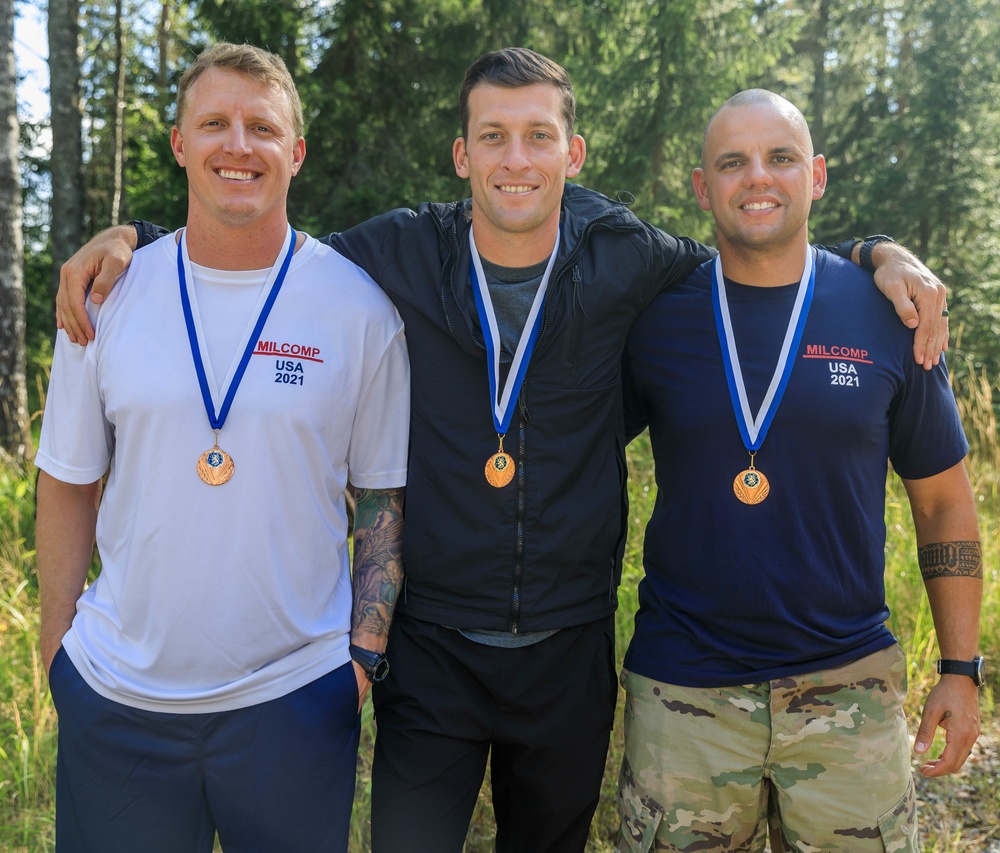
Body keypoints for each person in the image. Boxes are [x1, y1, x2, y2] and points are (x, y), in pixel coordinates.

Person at [54, 49, 950, 853]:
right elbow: (261, 242)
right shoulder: (394, 255)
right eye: (493, 136)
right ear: (463, 155)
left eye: (537, 136)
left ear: (574, 152)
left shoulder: (629, 257)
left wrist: (876, 254)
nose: (516, 159)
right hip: (433, 649)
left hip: (567, 646)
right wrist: (130, 242)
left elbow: (762, 249)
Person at [34, 42, 409, 853]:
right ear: (179, 143)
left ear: (296, 152)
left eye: (262, 128)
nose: (238, 145)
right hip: (117, 701)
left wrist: (360, 662)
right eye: (214, 123)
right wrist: (58, 651)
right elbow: (66, 478)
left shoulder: (359, 309)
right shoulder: (105, 294)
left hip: (294, 700)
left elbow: (381, 494)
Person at [617, 89, 982, 853]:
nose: (758, 178)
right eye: (733, 162)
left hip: (848, 688)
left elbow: (945, 500)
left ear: (815, 175)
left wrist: (959, 666)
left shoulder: (891, 312)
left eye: (780, 158)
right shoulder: (654, 315)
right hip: (685, 692)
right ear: (701, 186)